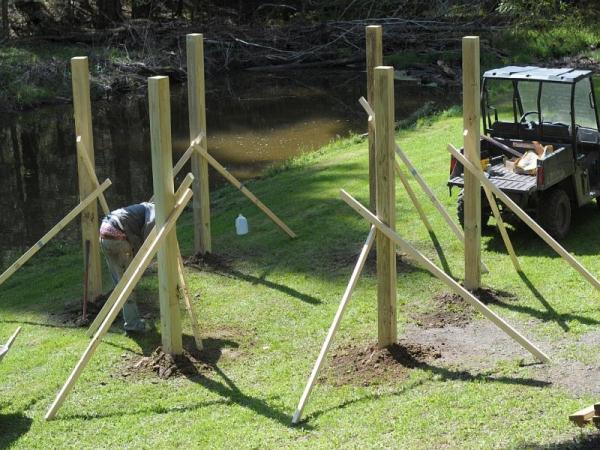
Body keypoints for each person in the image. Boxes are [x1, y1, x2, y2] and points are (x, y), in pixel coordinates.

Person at [99, 202, 155, 333]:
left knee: (120, 282)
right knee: (128, 284)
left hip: (104, 235)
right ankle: (132, 324)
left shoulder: (141, 208)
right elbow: (148, 242)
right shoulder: (155, 213)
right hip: (118, 240)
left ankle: (120, 315)